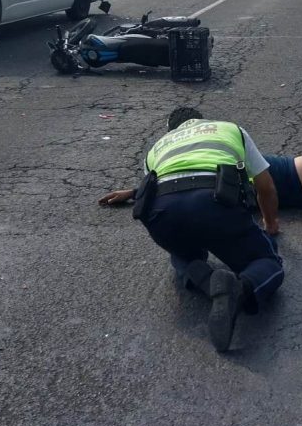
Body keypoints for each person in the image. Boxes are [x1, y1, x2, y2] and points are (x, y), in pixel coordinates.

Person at [98, 107, 283, 353]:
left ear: (171, 130)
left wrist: (132, 193)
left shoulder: (157, 148)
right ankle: (240, 289)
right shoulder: (230, 129)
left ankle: (206, 281)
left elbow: (163, 186)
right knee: (267, 261)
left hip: (162, 216)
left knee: (182, 255)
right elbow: (265, 186)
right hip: (215, 206)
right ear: (202, 121)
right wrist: (270, 226)